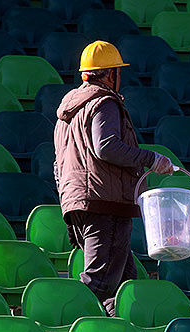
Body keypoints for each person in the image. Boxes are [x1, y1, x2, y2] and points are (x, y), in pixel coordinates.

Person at [53, 40, 174, 315]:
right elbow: (105, 145)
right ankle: (66, 325)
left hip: (80, 202)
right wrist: (151, 159)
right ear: (110, 74)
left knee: (123, 285)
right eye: (118, 71)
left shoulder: (66, 113)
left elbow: (58, 162)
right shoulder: (104, 102)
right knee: (99, 283)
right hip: (104, 204)